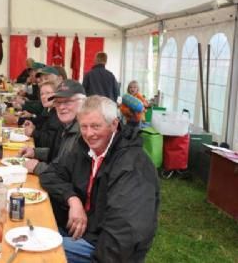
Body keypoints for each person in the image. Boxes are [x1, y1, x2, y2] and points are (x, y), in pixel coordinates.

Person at [40, 96, 160, 262]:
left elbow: (124, 234)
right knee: (27, 230)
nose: (89, 134)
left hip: (102, 249)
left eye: (96, 126)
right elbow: (50, 173)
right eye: (84, 126)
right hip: (81, 232)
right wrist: (72, 199)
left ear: (114, 124)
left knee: (38, 252)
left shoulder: (132, 165)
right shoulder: (83, 147)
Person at [19, 80, 85, 175]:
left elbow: (68, 175)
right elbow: (57, 154)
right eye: (58, 102)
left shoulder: (85, 133)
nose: (61, 107)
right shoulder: (66, 125)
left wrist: (38, 167)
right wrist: (35, 152)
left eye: (68, 101)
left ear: (83, 102)